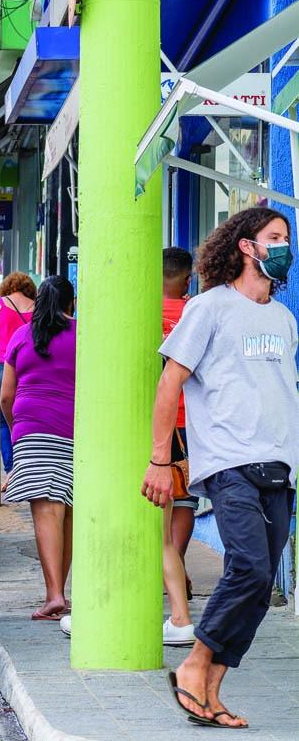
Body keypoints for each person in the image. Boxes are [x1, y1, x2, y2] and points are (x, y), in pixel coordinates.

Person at [144, 207, 297, 729]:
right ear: (247, 246)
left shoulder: (283, 318)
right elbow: (170, 384)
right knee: (249, 568)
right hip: (230, 463)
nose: (283, 247)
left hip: (280, 467)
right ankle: (192, 665)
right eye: (274, 238)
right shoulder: (208, 308)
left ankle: (209, 689)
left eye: (287, 239)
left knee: (258, 585)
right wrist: (160, 460)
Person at [1, 275, 76, 621]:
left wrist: (17, 430)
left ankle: (54, 595)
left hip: (32, 429)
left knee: (46, 512)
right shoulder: (81, 335)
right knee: (67, 510)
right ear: (70, 304)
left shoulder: (21, 336)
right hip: (75, 431)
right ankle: (61, 591)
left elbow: (6, 396)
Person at [160, 247, 197, 646]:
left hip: (153, 425)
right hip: (190, 425)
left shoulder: (139, 310)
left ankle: (170, 574)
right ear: (187, 279)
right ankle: (177, 564)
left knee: (156, 518)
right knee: (184, 502)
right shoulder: (195, 314)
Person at [0, 272, 37, 487]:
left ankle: (12, 469)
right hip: (29, 365)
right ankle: (30, 463)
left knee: (4, 420)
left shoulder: (0, 304)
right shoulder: (37, 306)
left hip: (4, 364)